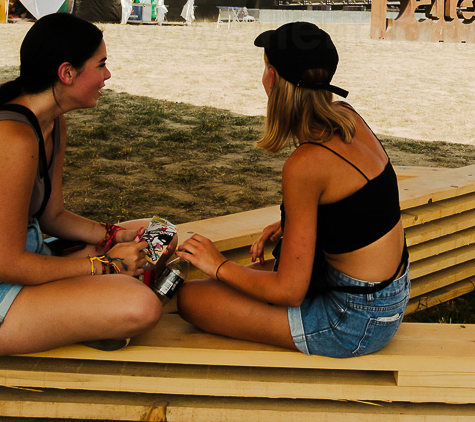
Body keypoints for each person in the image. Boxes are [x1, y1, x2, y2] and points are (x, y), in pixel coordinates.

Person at [0, 13, 164, 360]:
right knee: (141, 306)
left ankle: (93, 307)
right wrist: (105, 264)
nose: (107, 75)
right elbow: (8, 266)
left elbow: (52, 216)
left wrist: (113, 235)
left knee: (158, 232)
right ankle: (100, 308)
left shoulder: (52, 122)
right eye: (101, 65)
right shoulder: (13, 138)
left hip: (29, 253)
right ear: (67, 72)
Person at [175, 22, 409, 358]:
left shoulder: (305, 163)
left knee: (192, 298)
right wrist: (295, 224)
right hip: (387, 296)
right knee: (241, 281)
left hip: (354, 321)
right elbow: (361, 207)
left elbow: (289, 291)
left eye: (265, 68)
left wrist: (218, 264)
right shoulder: (347, 117)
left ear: (272, 78)